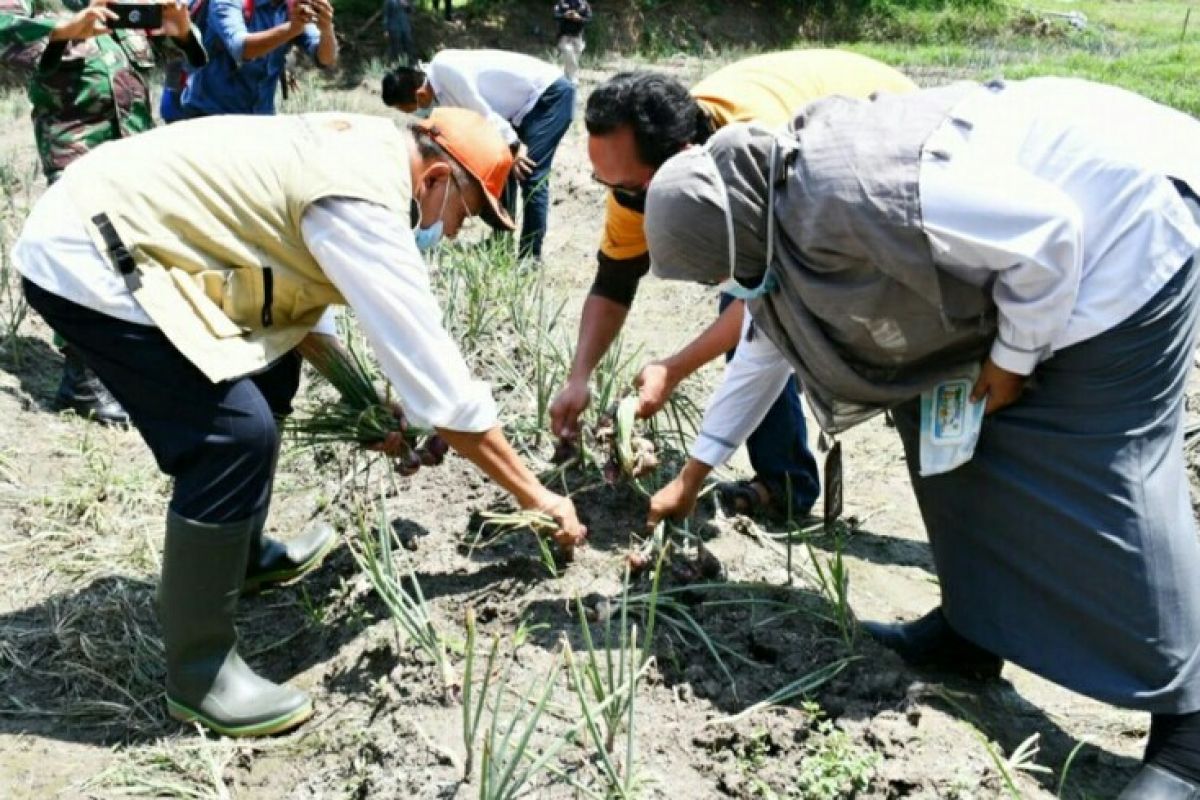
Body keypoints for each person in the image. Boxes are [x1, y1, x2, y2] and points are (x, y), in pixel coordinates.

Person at [640, 77, 1200, 798]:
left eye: (718, 268)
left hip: (1128, 226)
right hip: (1040, 262)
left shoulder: (849, 192)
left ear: (735, 230)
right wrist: (692, 475)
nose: (723, 281)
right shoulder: (772, 216)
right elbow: (765, 343)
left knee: (1109, 470)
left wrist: (1012, 360)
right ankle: (973, 631)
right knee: (948, 439)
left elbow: (1049, 230)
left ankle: (1187, 736)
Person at [12, 107, 587, 737]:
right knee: (232, 436)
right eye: (465, 213)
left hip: (121, 224)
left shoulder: (361, 153)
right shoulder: (363, 199)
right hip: (89, 256)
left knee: (274, 369)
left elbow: (306, 317)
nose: (453, 233)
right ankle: (200, 674)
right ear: (437, 178)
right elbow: (442, 388)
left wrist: (361, 398)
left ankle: (244, 558)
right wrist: (537, 496)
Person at [549, 51, 916, 519]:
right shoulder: (632, 179)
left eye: (625, 187)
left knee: (784, 309)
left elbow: (774, 299)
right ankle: (785, 482)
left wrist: (675, 367)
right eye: (606, 182)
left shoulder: (764, 153)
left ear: (678, 166)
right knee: (755, 313)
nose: (617, 196)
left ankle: (789, 480)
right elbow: (615, 279)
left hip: (885, 139)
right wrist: (578, 376)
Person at [0, 0, 205, 425]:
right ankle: (82, 381)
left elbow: (187, 56)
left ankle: (126, 366)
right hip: (74, 143)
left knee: (133, 257)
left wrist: (182, 32)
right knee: (87, 253)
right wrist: (64, 28)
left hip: (132, 147)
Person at [382, 49, 575, 260]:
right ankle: (501, 239)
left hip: (547, 95)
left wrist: (515, 146)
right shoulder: (441, 95)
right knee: (501, 166)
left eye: (411, 109)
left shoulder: (445, 69)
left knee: (530, 173)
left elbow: (484, 113)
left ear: (420, 95)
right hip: (518, 111)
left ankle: (530, 257)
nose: (417, 114)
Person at [179, 0, 336, 118]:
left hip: (259, 121)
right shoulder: (228, 2)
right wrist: (292, 29)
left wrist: (326, 29)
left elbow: (325, 59)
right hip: (209, 116)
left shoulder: (290, 6)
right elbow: (240, 48)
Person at [552, 0, 590, 84]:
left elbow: (589, 19)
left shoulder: (584, 4)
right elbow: (555, 15)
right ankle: (572, 78)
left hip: (578, 36)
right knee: (568, 52)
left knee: (574, 58)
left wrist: (579, 18)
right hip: (564, 36)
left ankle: (568, 76)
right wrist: (565, 15)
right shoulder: (562, 3)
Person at [383, 0, 416, 64]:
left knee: (409, 45)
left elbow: (412, 11)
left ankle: (412, 64)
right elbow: (386, 15)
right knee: (396, 47)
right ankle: (398, 64)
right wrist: (385, 29)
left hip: (405, 27)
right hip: (394, 28)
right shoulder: (389, 1)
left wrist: (407, 5)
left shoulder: (406, 1)